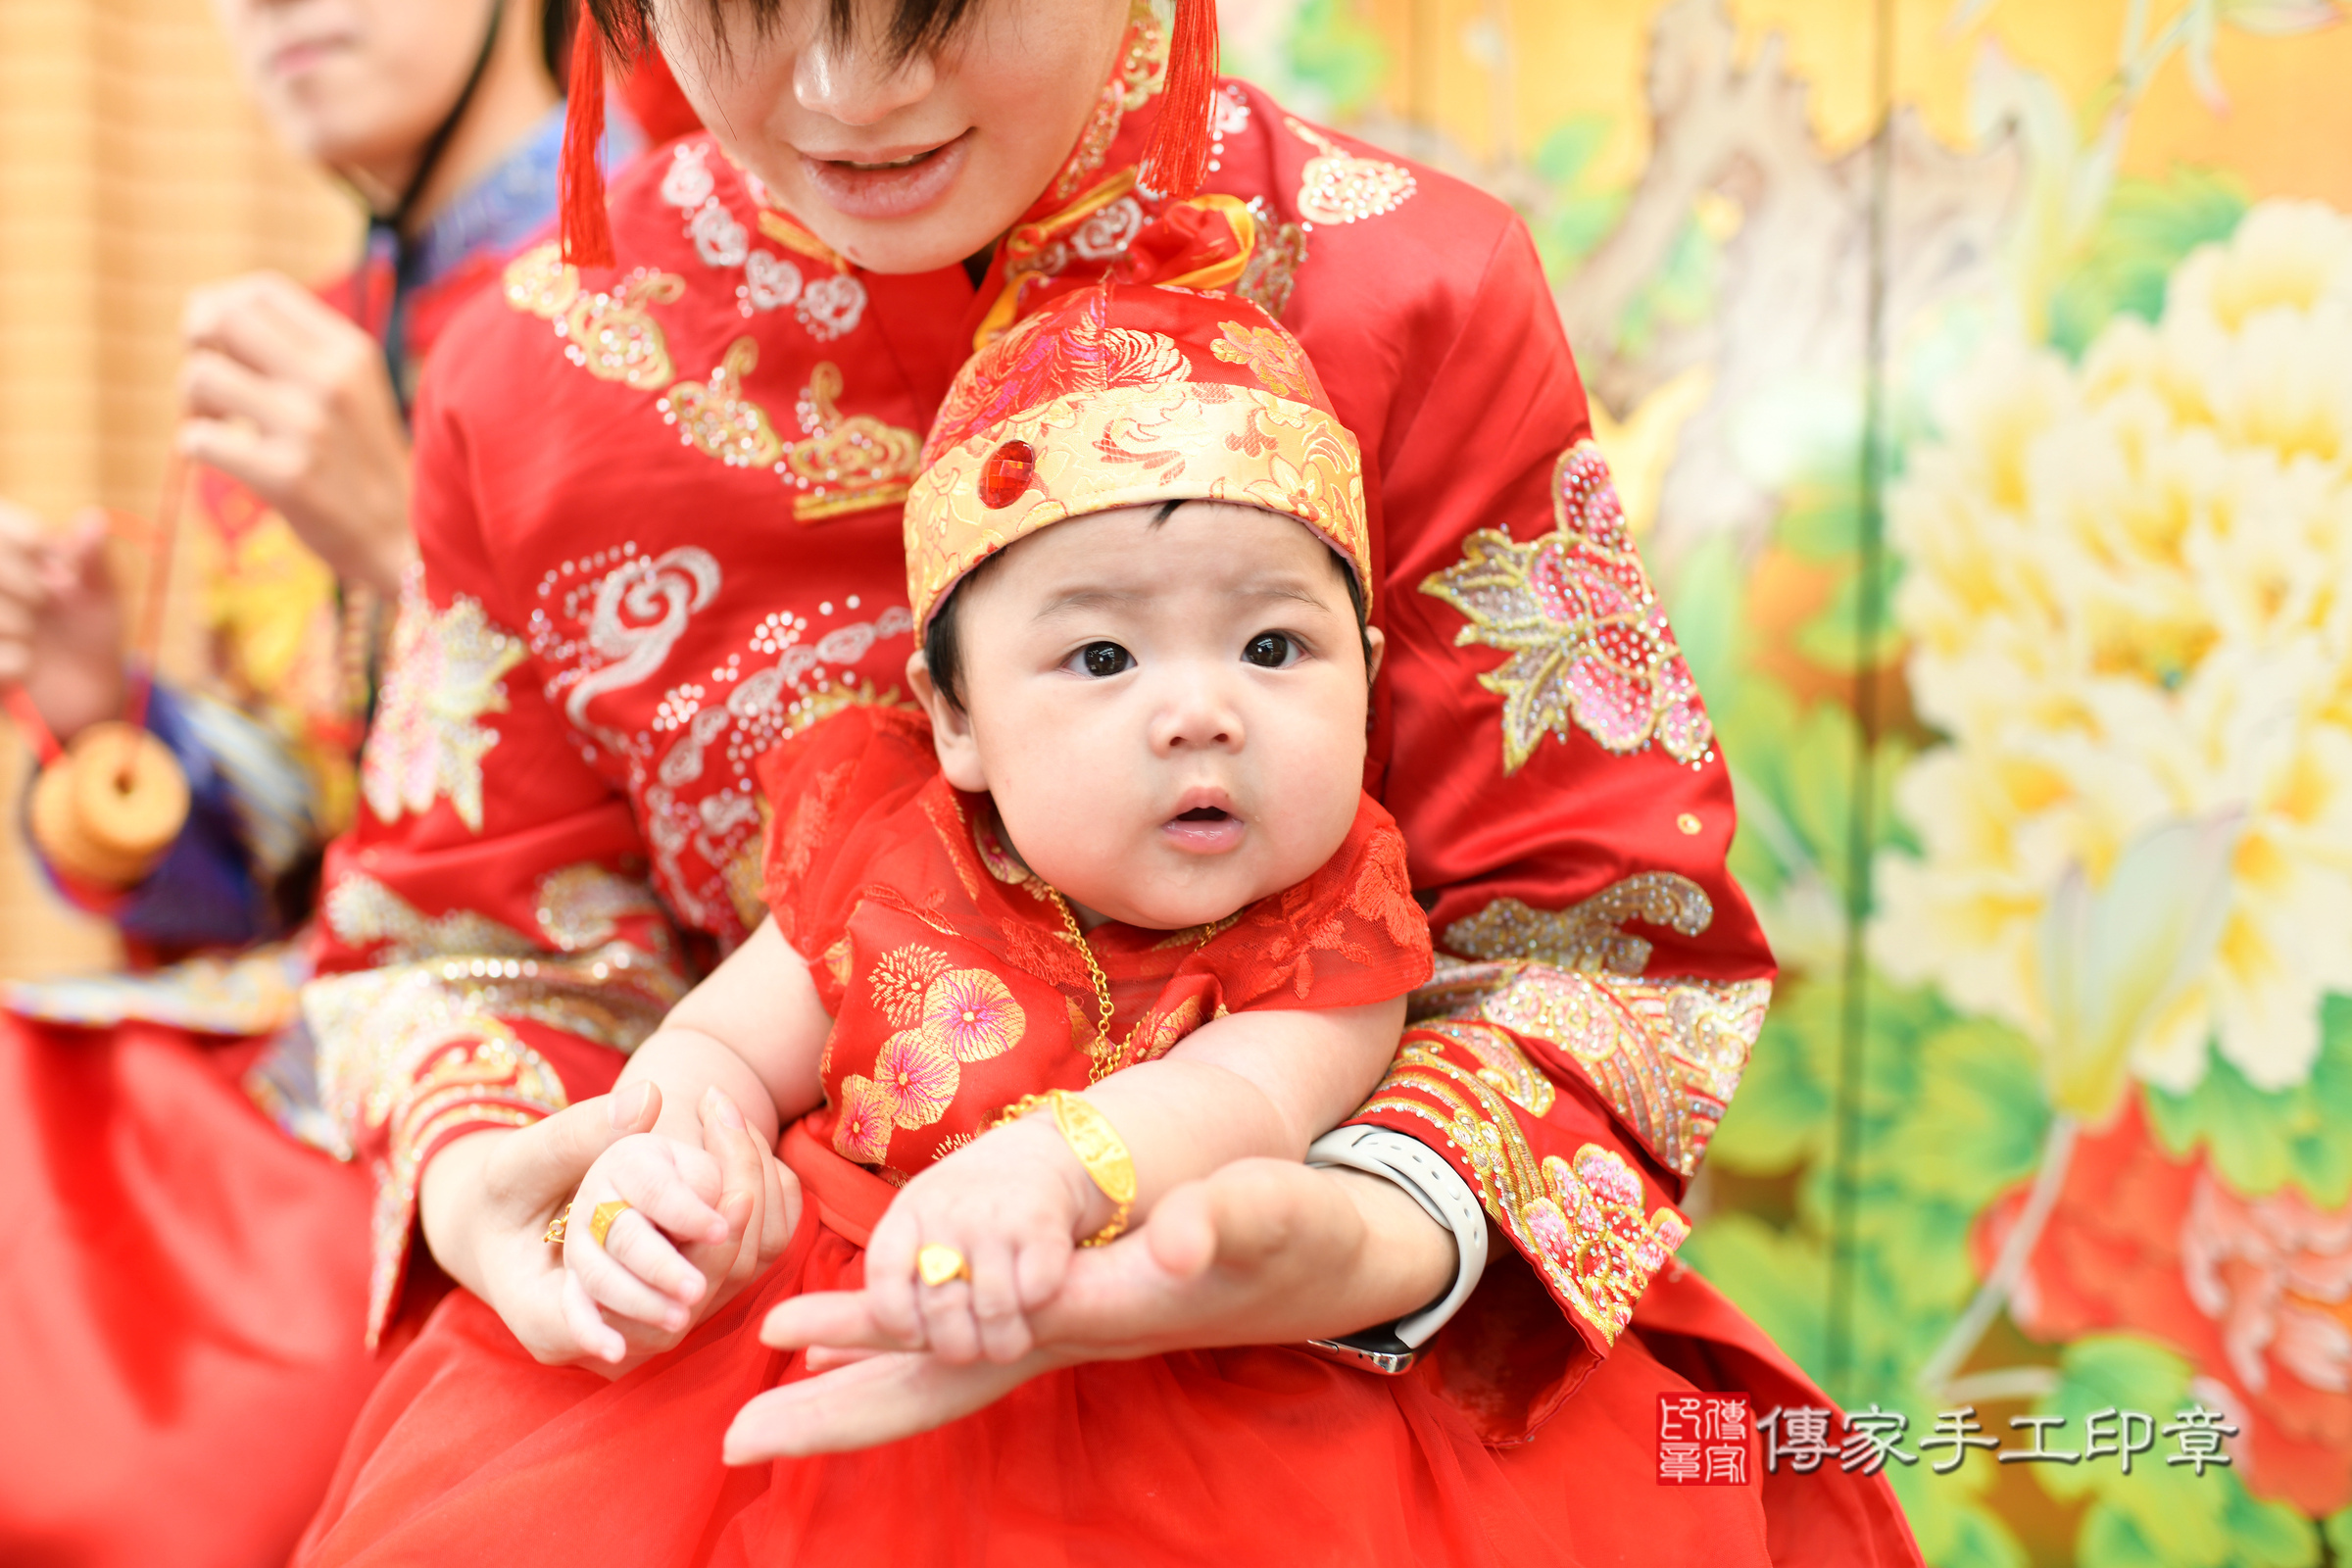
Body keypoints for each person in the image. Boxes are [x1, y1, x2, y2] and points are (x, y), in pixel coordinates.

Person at [293, 9, 1923, 1540]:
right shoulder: (532, 386)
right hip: (759, 1347)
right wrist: (544, 1182)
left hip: (1337, 1374)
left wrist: (1359, 1232)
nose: (850, 97)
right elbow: (470, 942)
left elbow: (1595, 937)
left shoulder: (1399, 292)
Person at [0, 3, 677, 1563]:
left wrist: (407, 550)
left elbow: (784, 806)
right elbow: (322, 829)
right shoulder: (313, 341)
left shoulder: (695, 297)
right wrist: (108, 708)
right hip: (313, 1043)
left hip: (591, 1061)